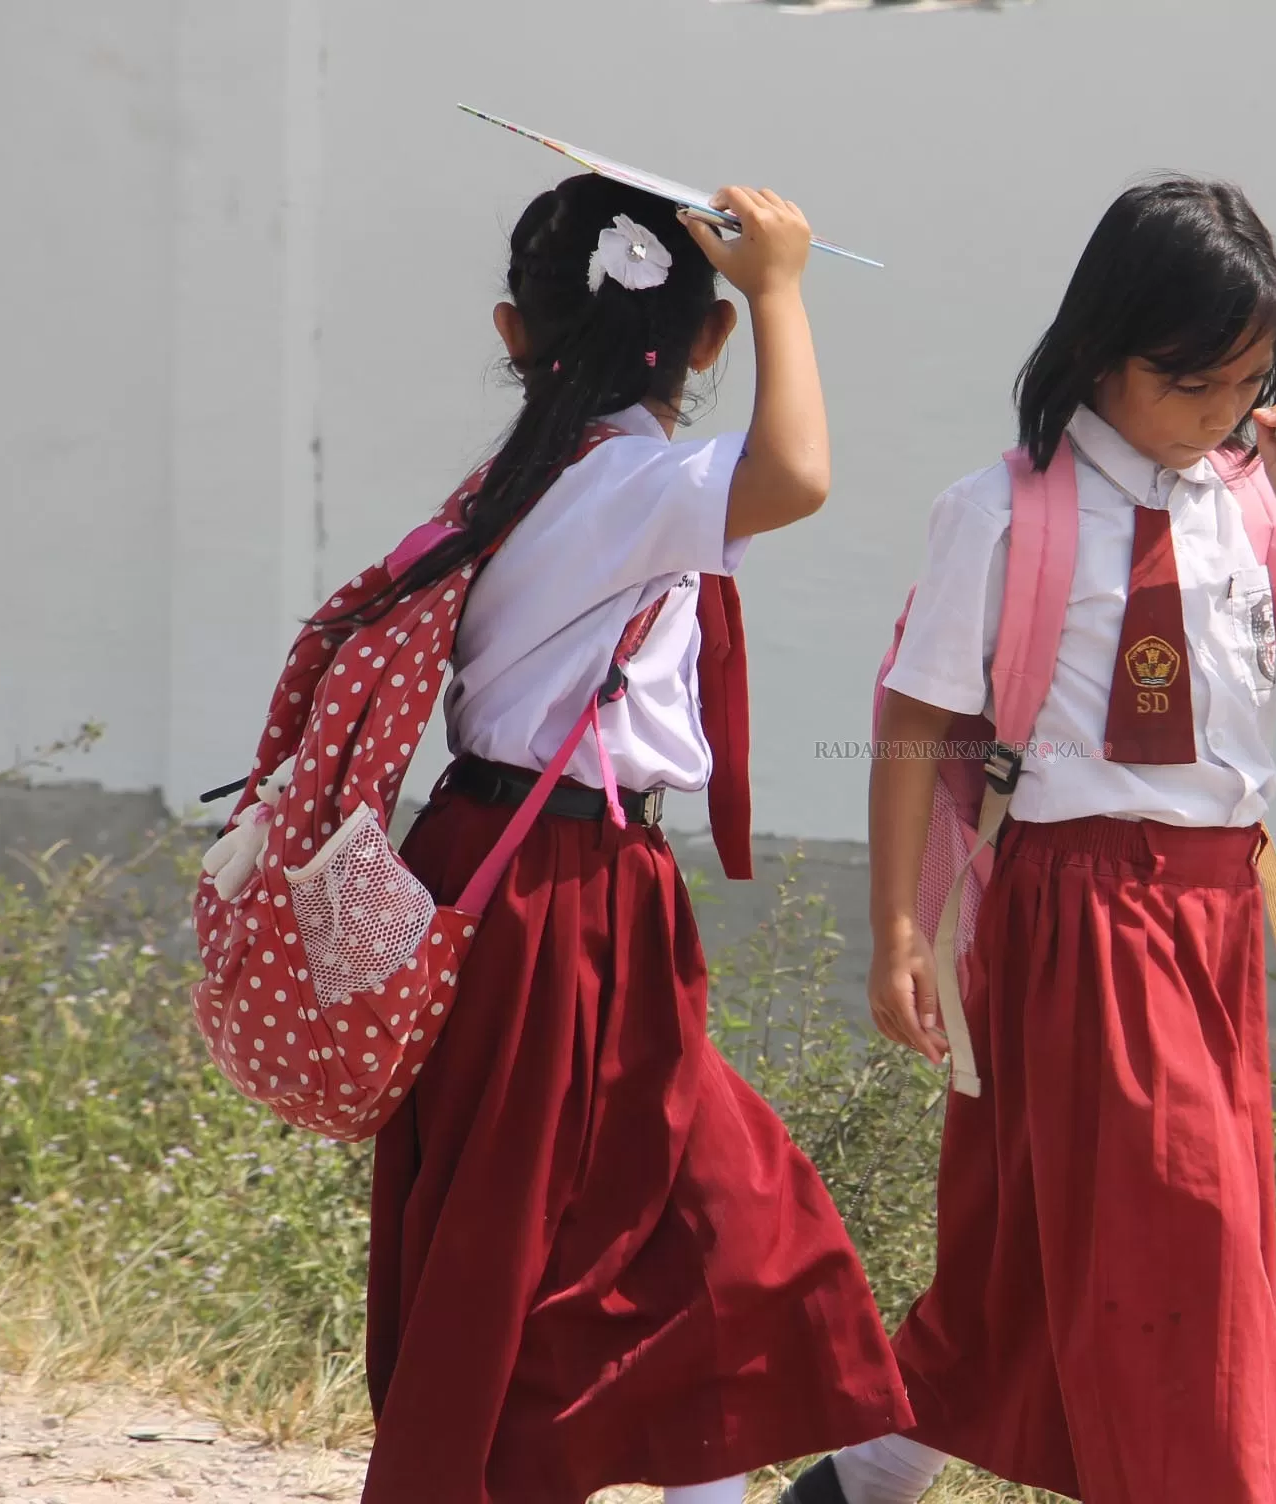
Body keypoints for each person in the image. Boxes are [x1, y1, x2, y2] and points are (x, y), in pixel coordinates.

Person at [789, 177, 1276, 1504]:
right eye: (1197, 385)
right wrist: (898, 931)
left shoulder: (1251, 505)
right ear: (1109, 356)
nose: (1228, 413)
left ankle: (857, 1482)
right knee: (1187, 1262)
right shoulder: (1001, 511)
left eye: (1251, 381)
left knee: (1039, 1261)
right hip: (1079, 919)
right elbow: (918, 718)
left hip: (1220, 922)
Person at [359, 171, 912, 1504]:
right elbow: (799, 473)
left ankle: (822, 1467)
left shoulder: (526, 476)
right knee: (583, 1227)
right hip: (561, 889)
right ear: (711, 341)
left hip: (523, 870)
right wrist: (780, 287)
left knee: (680, 1206)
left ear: (513, 332)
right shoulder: (631, 485)